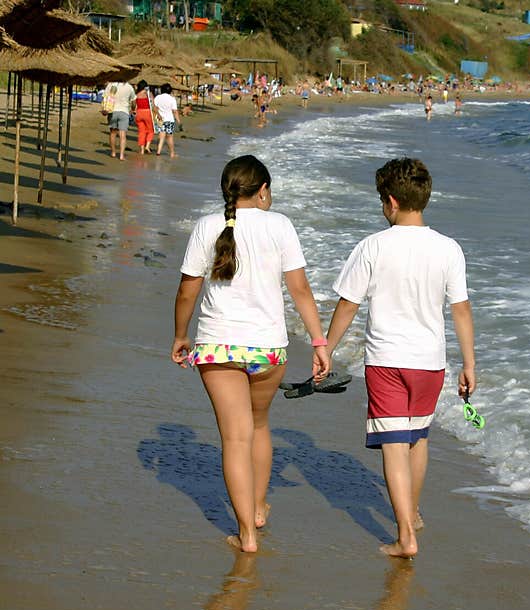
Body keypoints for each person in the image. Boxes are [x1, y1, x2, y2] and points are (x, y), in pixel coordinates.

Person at [171, 155, 330, 553]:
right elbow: (300, 291)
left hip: (217, 346)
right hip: (268, 348)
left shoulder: (207, 225)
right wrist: (319, 342)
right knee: (259, 426)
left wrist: (179, 336)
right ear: (262, 192)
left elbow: (188, 289)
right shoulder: (280, 225)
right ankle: (258, 508)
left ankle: (247, 534)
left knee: (234, 439)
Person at [325, 158, 477, 559]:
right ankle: (413, 513)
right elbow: (460, 309)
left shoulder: (373, 246)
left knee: (393, 446)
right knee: (417, 438)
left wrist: (326, 346)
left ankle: (405, 535)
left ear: (390, 202)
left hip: (387, 361)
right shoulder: (449, 248)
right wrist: (470, 363)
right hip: (430, 362)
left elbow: (348, 304)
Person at [106, 79, 136, 160]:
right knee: (123, 135)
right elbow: (133, 101)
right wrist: (133, 109)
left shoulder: (111, 85)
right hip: (124, 112)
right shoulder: (129, 87)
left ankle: (113, 152)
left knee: (113, 133)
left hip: (112, 111)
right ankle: (121, 155)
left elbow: (105, 97)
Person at [154, 83, 181, 158]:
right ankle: (172, 153)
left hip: (160, 119)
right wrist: (178, 121)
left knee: (161, 136)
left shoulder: (158, 97)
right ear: (170, 91)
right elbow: (175, 111)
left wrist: (158, 114)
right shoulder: (172, 99)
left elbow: (155, 108)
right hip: (169, 120)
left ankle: (158, 151)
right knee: (169, 137)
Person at [134, 80, 155, 155]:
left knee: (141, 132)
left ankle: (142, 150)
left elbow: (133, 105)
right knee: (151, 130)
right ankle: (147, 146)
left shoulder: (137, 94)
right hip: (147, 112)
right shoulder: (148, 94)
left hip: (139, 113)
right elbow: (153, 105)